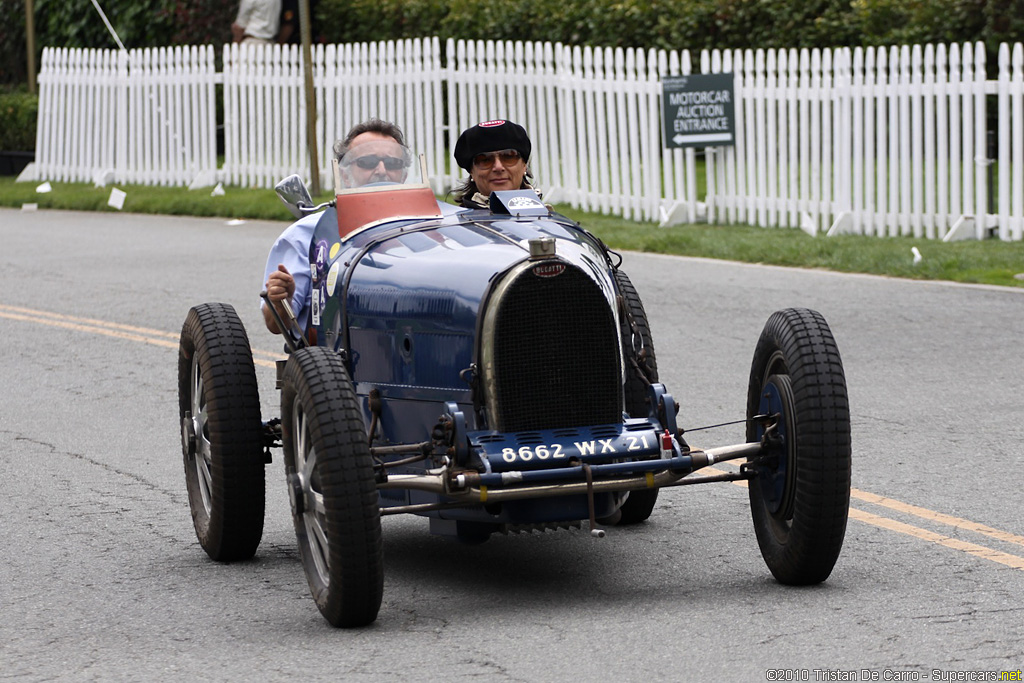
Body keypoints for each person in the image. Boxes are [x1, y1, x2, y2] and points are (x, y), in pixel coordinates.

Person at [262, 119, 409, 335]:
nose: (381, 170)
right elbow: (275, 325)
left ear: (404, 175)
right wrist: (282, 298)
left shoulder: (428, 229)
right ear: (344, 175)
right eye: (367, 162)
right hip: (328, 361)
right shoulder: (307, 234)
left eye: (393, 164)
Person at [452, 119, 536, 209]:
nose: (498, 167)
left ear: (524, 165)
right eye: (485, 160)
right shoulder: (455, 222)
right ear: (471, 171)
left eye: (508, 157)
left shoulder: (548, 219)